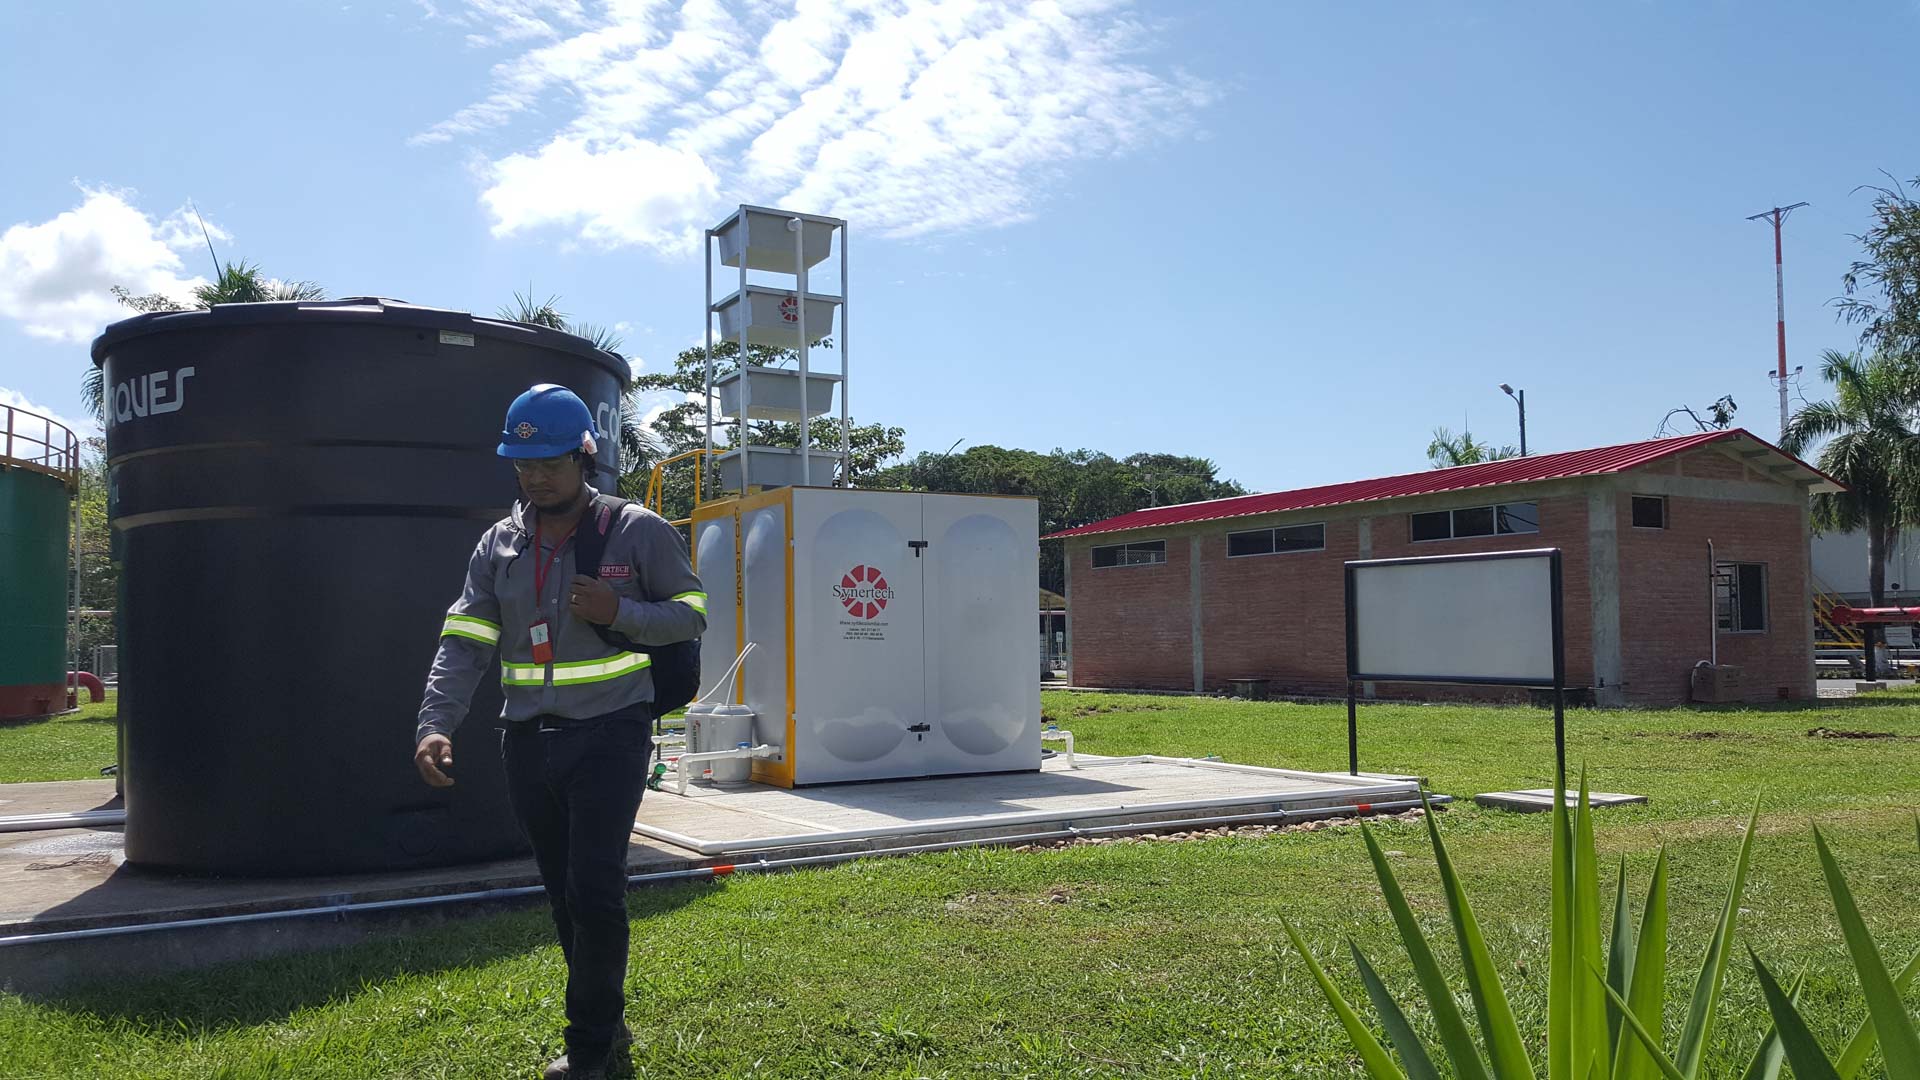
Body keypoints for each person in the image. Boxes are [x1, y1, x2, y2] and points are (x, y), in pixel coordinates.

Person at [413, 383, 706, 1080]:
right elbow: (466, 639)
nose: (536, 477)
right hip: (525, 739)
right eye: (524, 465)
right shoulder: (499, 543)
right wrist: (436, 722)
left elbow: (692, 611)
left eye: (549, 462)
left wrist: (620, 611)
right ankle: (606, 1012)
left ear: (584, 456)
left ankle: (590, 1048)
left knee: (595, 888)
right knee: (561, 890)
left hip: (610, 734)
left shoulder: (635, 530)